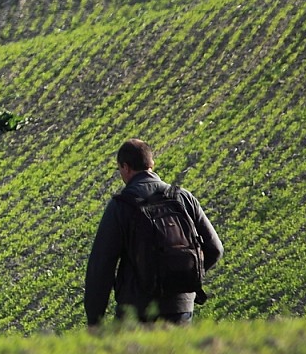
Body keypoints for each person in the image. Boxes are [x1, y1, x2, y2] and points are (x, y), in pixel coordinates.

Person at [83, 138, 223, 327]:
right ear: (151, 164)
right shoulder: (183, 198)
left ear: (125, 167)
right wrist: (181, 277)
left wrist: (94, 320)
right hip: (180, 309)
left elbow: (101, 266)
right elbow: (215, 249)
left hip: (137, 310)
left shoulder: (122, 206)